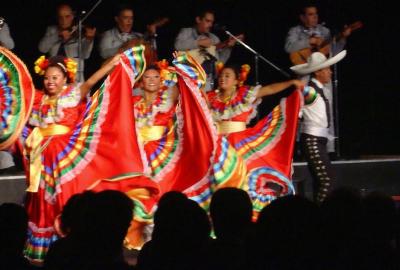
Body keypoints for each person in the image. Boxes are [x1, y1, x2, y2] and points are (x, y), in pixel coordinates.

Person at [0, 45, 160, 262]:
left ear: (65, 79)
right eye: (47, 78)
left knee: (62, 197)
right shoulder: (36, 99)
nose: (51, 82)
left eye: (55, 77)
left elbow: (91, 82)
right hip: (40, 158)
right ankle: (45, 248)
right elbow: (17, 100)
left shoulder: (73, 95)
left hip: (65, 157)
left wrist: (113, 64)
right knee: (40, 200)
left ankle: (70, 242)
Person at [207, 64, 304, 214]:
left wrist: (291, 83)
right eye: (221, 76)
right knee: (219, 180)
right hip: (219, 145)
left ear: (236, 81)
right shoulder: (212, 97)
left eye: (227, 76)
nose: (222, 78)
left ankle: (247, 213)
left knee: (242, 179)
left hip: (239, 143)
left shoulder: (243, 94)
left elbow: (270, 89)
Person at [284, 2, 354, 153]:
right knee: (303, 109)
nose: (314, 17)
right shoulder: (295, 31)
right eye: (310, 14)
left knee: (325, 106)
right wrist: (310, 41)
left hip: (322, 74)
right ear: (302, 17)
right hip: (304, 72)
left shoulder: (325, 31)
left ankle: (328, 148)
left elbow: (333, 51)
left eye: (315, 14)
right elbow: (289, 47)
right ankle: (300, 147)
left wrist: (342, 38)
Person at [290, 49, 347, 203]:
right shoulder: (311, 91)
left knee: (320, 181)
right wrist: (301, 87)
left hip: (318, 140)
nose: (330, 72)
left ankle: (317, 214)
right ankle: (321, 214)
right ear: (318, 73)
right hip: (312, 140)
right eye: (327, 69)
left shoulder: (319, 90)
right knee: (328, 180)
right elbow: (301, 98)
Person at [174, 9, 244, 91]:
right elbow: (178, 45)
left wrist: (228, 47)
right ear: (198, 20)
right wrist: (198, 43)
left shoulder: (214, 38)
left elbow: (220, 61)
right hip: (187, 80)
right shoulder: (187, 32)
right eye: (207, 21)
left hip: (207, 83)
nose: (210, 25)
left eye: (212, 22)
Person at [38, 3, 96, 82]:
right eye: (60, 17)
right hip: (54, 79)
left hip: (75, 80)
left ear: (72, 16)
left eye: (67, 16)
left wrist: (89, 40)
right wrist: (58, 35)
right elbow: (42, 48)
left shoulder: (79, 31)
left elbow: (85, 55)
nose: (64, 20)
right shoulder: (52, 30)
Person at [98, 4, 166, 64]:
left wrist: (152, 35)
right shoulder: (108, 34)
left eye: (131, 18)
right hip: (116, 72)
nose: (129, 21)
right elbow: (103, 54)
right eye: (125, 18)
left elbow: (153, 53)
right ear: (117, 19)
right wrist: (125, 47)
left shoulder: (138, 35)